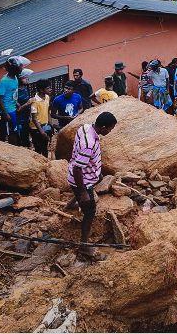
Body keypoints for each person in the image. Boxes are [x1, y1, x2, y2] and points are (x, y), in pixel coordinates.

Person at [67, 111, 118, 259]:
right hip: (81, 180)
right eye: (110, 129)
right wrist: (83, 192)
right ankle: (84, 246)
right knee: (90, 212)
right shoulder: (89, 143)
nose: (110, 131)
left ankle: (70, 204)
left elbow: (84, 160)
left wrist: (97, 172)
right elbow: (78, 168)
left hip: (85, 175)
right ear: (102, 127)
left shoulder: (85, 128)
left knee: (86, 193)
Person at [0, 58, 22, 144]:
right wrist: (5, 113)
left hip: (12, 107)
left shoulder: (15, 78)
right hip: (7, 110)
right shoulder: (4, 81)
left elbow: (13, 93)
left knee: (13, 129)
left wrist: (16, 102)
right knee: (10, 131)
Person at [29, 80, 54, 157]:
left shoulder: (47, 97)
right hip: (36, 128)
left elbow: (47, 111)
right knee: (38, 149)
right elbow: (34, 118)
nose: (50, 89)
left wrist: (51, 124)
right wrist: (42, 132)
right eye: (48, 88)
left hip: (45, 126)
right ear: (41, 90)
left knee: (45, 147)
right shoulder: (34, 101)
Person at [15, 73, 33, 147]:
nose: (27, 79)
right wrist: (27, 104)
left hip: (26, 117)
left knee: (27, 135)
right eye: (24, 78)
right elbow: (17, 110)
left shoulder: (25, 88)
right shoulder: (16, 91)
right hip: (20, 120)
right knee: (22, 138)